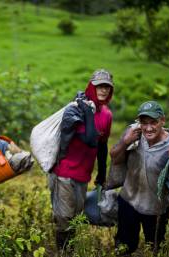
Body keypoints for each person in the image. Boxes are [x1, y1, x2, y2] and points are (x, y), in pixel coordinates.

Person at [110, 100, 169, 255]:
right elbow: (114, 157)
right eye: (144, 123)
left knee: (155, 248)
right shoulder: (133, 133)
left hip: (155, 208)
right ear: (139, 122)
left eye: (154, 122)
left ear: (162, 120)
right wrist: (125, 142)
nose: (149, 128)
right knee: (124, 247)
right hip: (127, 201)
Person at [48, 69, 114, 250]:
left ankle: (69, 250)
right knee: (65, 216)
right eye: (99, 86)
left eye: (107, 87)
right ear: (90, 86)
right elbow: (90, 140)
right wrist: (88, 112)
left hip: (83, 174)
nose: (103, 90)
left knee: (76, 216)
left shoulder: (107, 115)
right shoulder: (75, 110)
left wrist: (102, 172)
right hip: (65, 171)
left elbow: (102, 145)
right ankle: (63, 251)